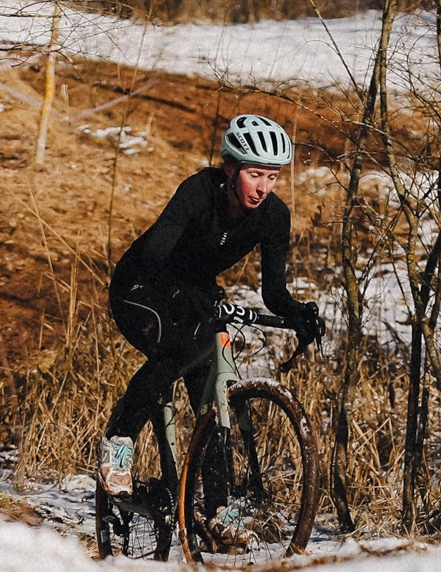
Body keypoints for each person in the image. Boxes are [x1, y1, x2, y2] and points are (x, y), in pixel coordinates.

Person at [99, 114, 323, 498]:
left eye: (272, 177)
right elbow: (155, 255)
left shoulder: (274, 217)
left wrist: (298, 314)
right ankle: (118, 442)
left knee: (210, 392)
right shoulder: (198, 192)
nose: (263, 187)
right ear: (230, 167)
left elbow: (274, 293)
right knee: (180, 348)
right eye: (255, 174)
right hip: (141, 285)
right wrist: (182, 296)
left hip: (195, 292)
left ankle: (219, 509)